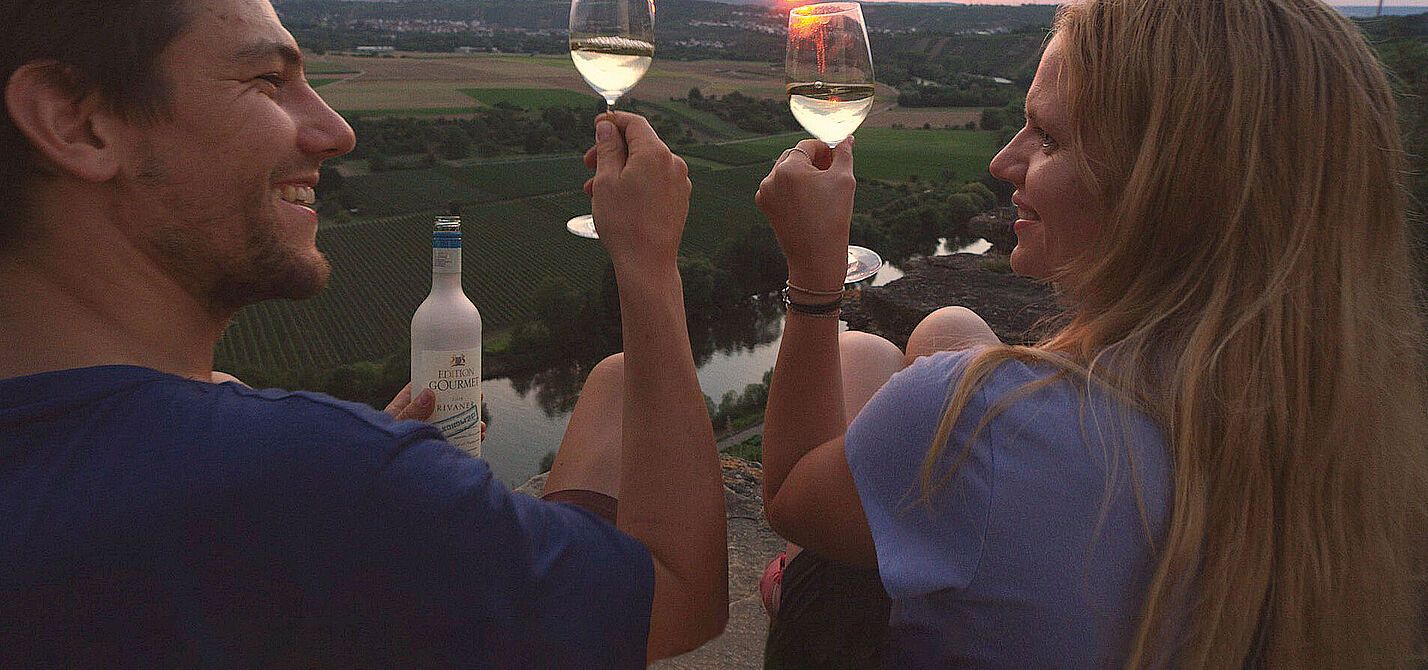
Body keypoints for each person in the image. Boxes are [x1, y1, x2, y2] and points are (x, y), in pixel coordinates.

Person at [0, 0, 726, 666]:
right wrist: (649, 263)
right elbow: (680, 594)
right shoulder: (310, 479)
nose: (335, 132)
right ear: (77, 122)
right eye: (265, 80)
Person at [755, 0, 1428, 666]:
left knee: (860, 357)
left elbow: (786, 493)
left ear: (1165, 186)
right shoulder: (1355, 440)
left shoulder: (975, 425)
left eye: (1047, 138)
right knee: (949, 328)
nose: (1002, 162)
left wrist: (814, 277)